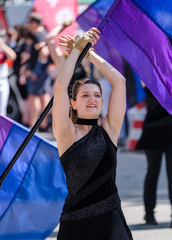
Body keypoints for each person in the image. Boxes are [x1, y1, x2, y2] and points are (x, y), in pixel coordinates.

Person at [52, 28, 133, 239]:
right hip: (77, 223)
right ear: (74, 103)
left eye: (97, 95)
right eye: (85, 95)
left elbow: (119, 81)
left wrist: (88, 53)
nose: (92, 99)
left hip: (111, 217)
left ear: (102, 102)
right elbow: (60, 86)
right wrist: (76, 50)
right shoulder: (67, 134)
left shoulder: (109, 130)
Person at [135, 87, 172, 228]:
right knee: (153, 171)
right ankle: (149, 213)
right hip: (153, 128)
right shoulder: (146, 75)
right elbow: (139, 95)